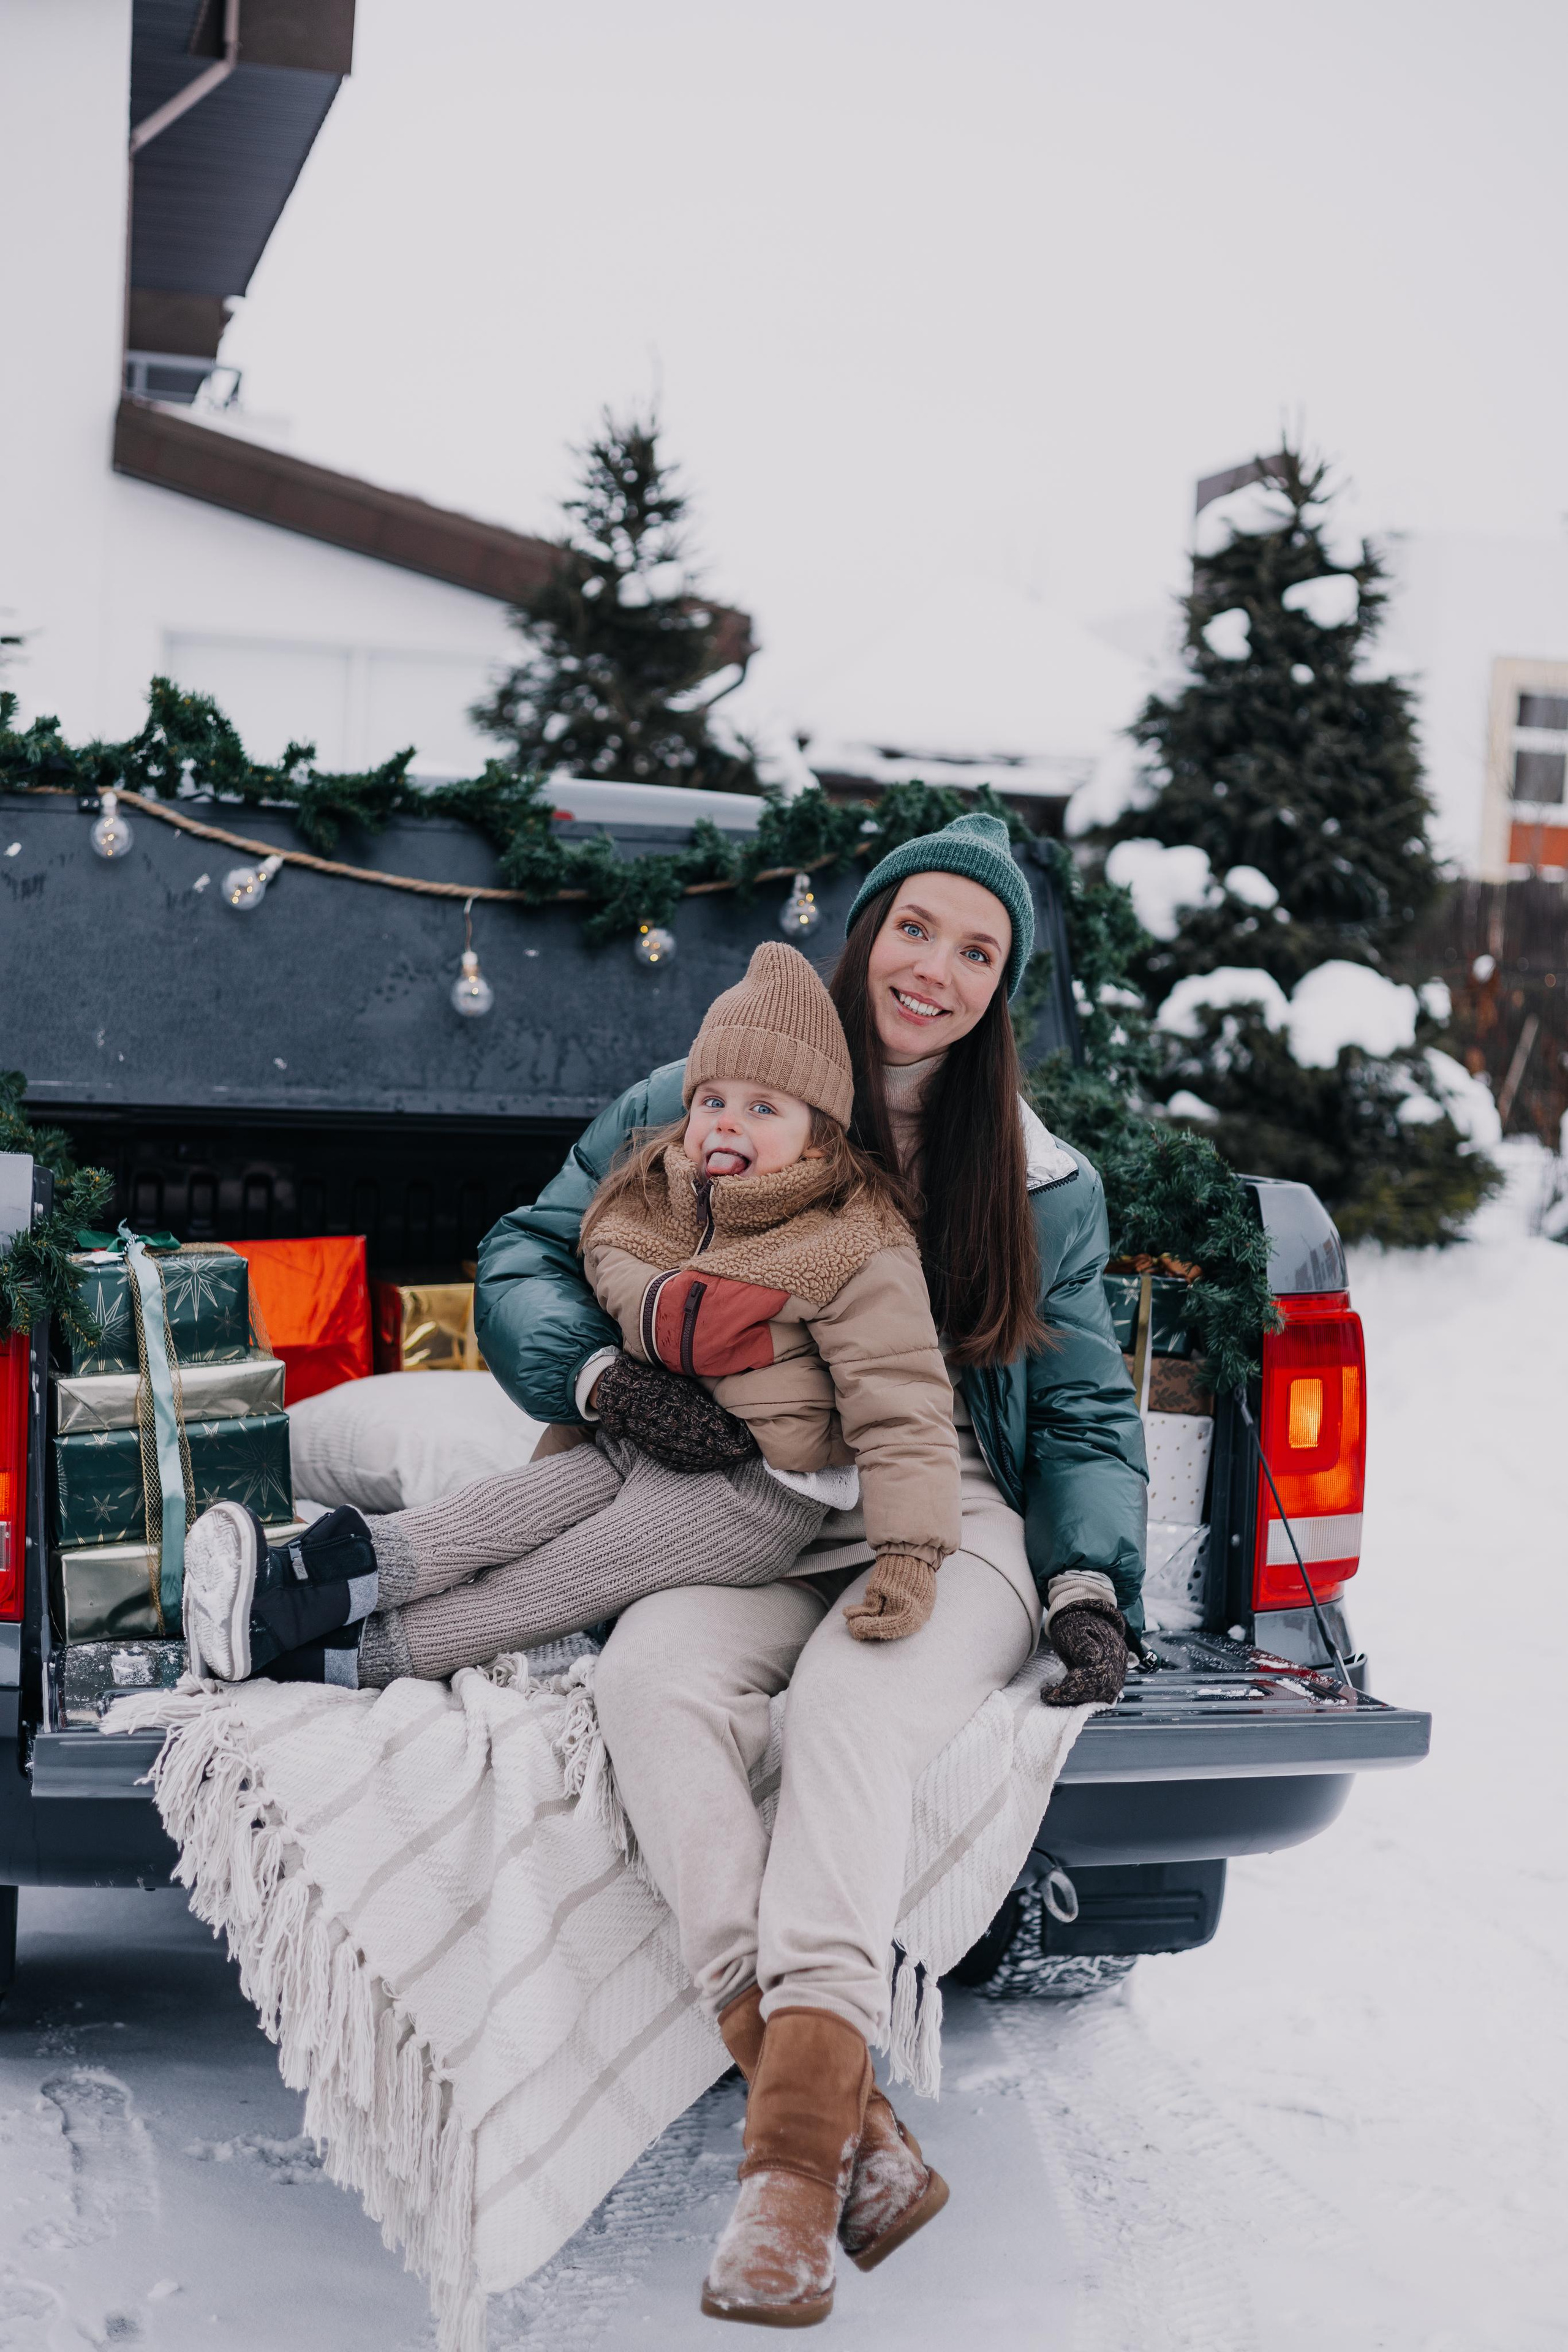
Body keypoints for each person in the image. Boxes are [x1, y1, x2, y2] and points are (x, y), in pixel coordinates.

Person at [475, 812, 1149, 2327]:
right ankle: (850, 2124)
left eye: (976, 952)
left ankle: (781, 2185)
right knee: (653, 1682)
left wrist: (1086, 1582)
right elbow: (527, 1251)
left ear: (999, 990)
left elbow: (1083, 1412)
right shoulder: (702, 1097)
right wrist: (595, 1379)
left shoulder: (1041, 1181)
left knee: (848, 1712)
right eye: (915, 928)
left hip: (939, 1513)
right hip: (750, 1494)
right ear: (863, 933)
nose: (935, 969)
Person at [178, 943, 960, 1689]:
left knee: (544, 1583)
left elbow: (901, 1403)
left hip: (753, 1493)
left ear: (819, 1141)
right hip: (638, 1441)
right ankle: (288, 1588)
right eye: (712, 1100)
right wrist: (605, 1391)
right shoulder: (654, 1202)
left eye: (763, 1107)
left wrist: (909, 1555)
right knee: (483, 1517)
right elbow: (593, 1271)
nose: (728, 1122)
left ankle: (336, 1660)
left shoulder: (849, 1242)